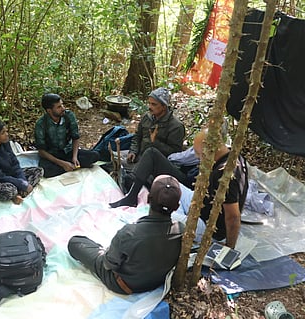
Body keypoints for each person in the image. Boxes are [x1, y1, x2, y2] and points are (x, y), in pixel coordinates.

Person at [110, 129, 248, 249]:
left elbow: (233, 216)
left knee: (153, 214)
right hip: (199, 203)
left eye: (199, 155)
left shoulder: (225, 174)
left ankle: (174, 216)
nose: (197, 158)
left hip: (208, 226)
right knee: (167, 182)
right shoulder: (232, 154)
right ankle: (170, 208)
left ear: (210, 150)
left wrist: (229, 247)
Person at [68, 175, 183, 294]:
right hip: (156, 282)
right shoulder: (181, 230)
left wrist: (108, 251)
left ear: (148, 199)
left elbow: (108, 264)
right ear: (177, 207)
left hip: (124, 285)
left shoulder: (129, 233)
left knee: (75, 242)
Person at [0, 120, 43, 204]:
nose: (7, 134)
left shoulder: (5, 143)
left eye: (6, 131)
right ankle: (18, 193)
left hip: (10, 174)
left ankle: (21, 191)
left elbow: (15, 163)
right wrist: (21, 184)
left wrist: (23, 182)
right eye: (3, 133)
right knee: (10, 191)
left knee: (38, 171)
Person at [34, 93, 100, 178]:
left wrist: (75, 157)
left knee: (95, 156)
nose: (63, 108)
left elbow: (75, 138)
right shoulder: (41, 124)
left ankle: (69, 165)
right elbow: (41, 151)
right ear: (49, 110)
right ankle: (67, 166)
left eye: (62, 105)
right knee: (46, 171)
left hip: (68, 152)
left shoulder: (69, 115)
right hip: (53, 155)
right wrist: (62, 163)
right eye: (59, 107)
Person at [126, 87, 185, 166]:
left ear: (164, 106)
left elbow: (175, 154)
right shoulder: (147, 117)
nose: (149, 107)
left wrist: (155, 142)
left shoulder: (176, 126)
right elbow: (137, 137)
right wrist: (133, 151)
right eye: (149, 103)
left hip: (157, 165)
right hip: (139, 157)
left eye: (154, 104)